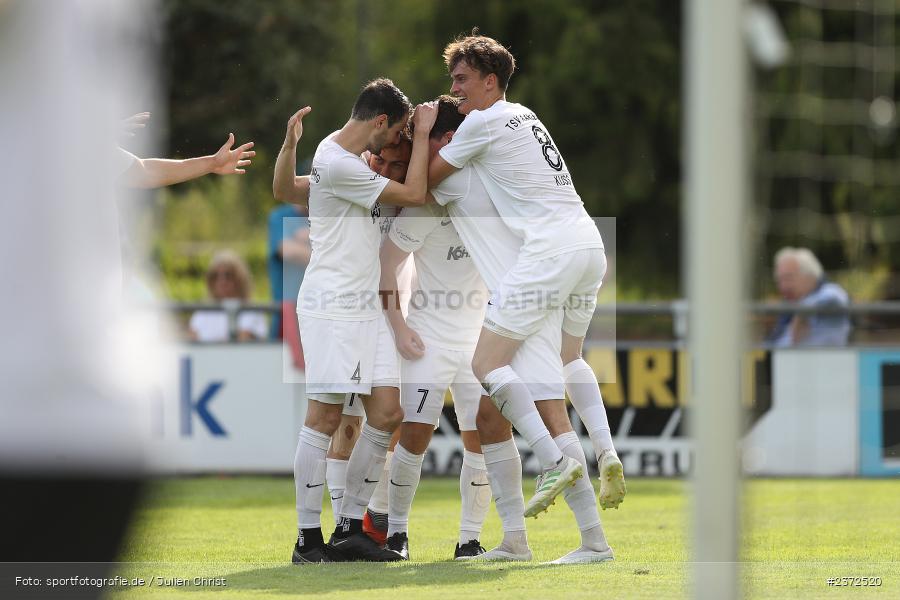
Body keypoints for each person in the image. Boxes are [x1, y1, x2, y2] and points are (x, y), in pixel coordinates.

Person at [428, 34, 625, 545]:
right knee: (562, 367)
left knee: (487, 369)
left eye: (462, 79)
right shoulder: (524, 115)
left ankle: (556, 468)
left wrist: (422, 130)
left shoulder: (475, 129)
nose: (455, 88)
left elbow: (418, 184)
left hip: (545, 264)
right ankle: (597, 474)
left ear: (489, 81)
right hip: (587, 245)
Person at [283, 78, 437, 564]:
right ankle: (307, 540)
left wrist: (287, 149)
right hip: (333, 305)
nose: (394, 144)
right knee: (325, 418)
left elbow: (283, 188)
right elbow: (413, 192)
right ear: (379, 122)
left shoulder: (332, 155)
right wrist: (428, 131)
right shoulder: (338, 163)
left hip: (367, 308)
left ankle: (350, 527)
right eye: (395, 134)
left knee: (388, 413)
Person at [377, 103, 493, 561]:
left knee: (481, 439)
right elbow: (387, 264)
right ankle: (397, 535)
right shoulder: (425, 204)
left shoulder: (488, 197)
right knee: (414, 438)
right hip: (429, 338)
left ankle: (470, 540)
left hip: (482, 340)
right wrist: (399, 325)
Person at [768, 247, 851, 346]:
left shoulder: (831, 293)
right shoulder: (791, 302)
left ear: (808, 276)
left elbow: (832, 301)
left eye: (788, 278)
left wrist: (803, 314)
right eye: (779, 280)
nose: (783, 286)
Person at [188, 250, 267, 342]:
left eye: (228, 275)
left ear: (240, 279)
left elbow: (242, 342)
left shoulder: (251, 311)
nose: (221, 281)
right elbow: (191, 342)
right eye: (215, 276)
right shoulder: (202, 312)